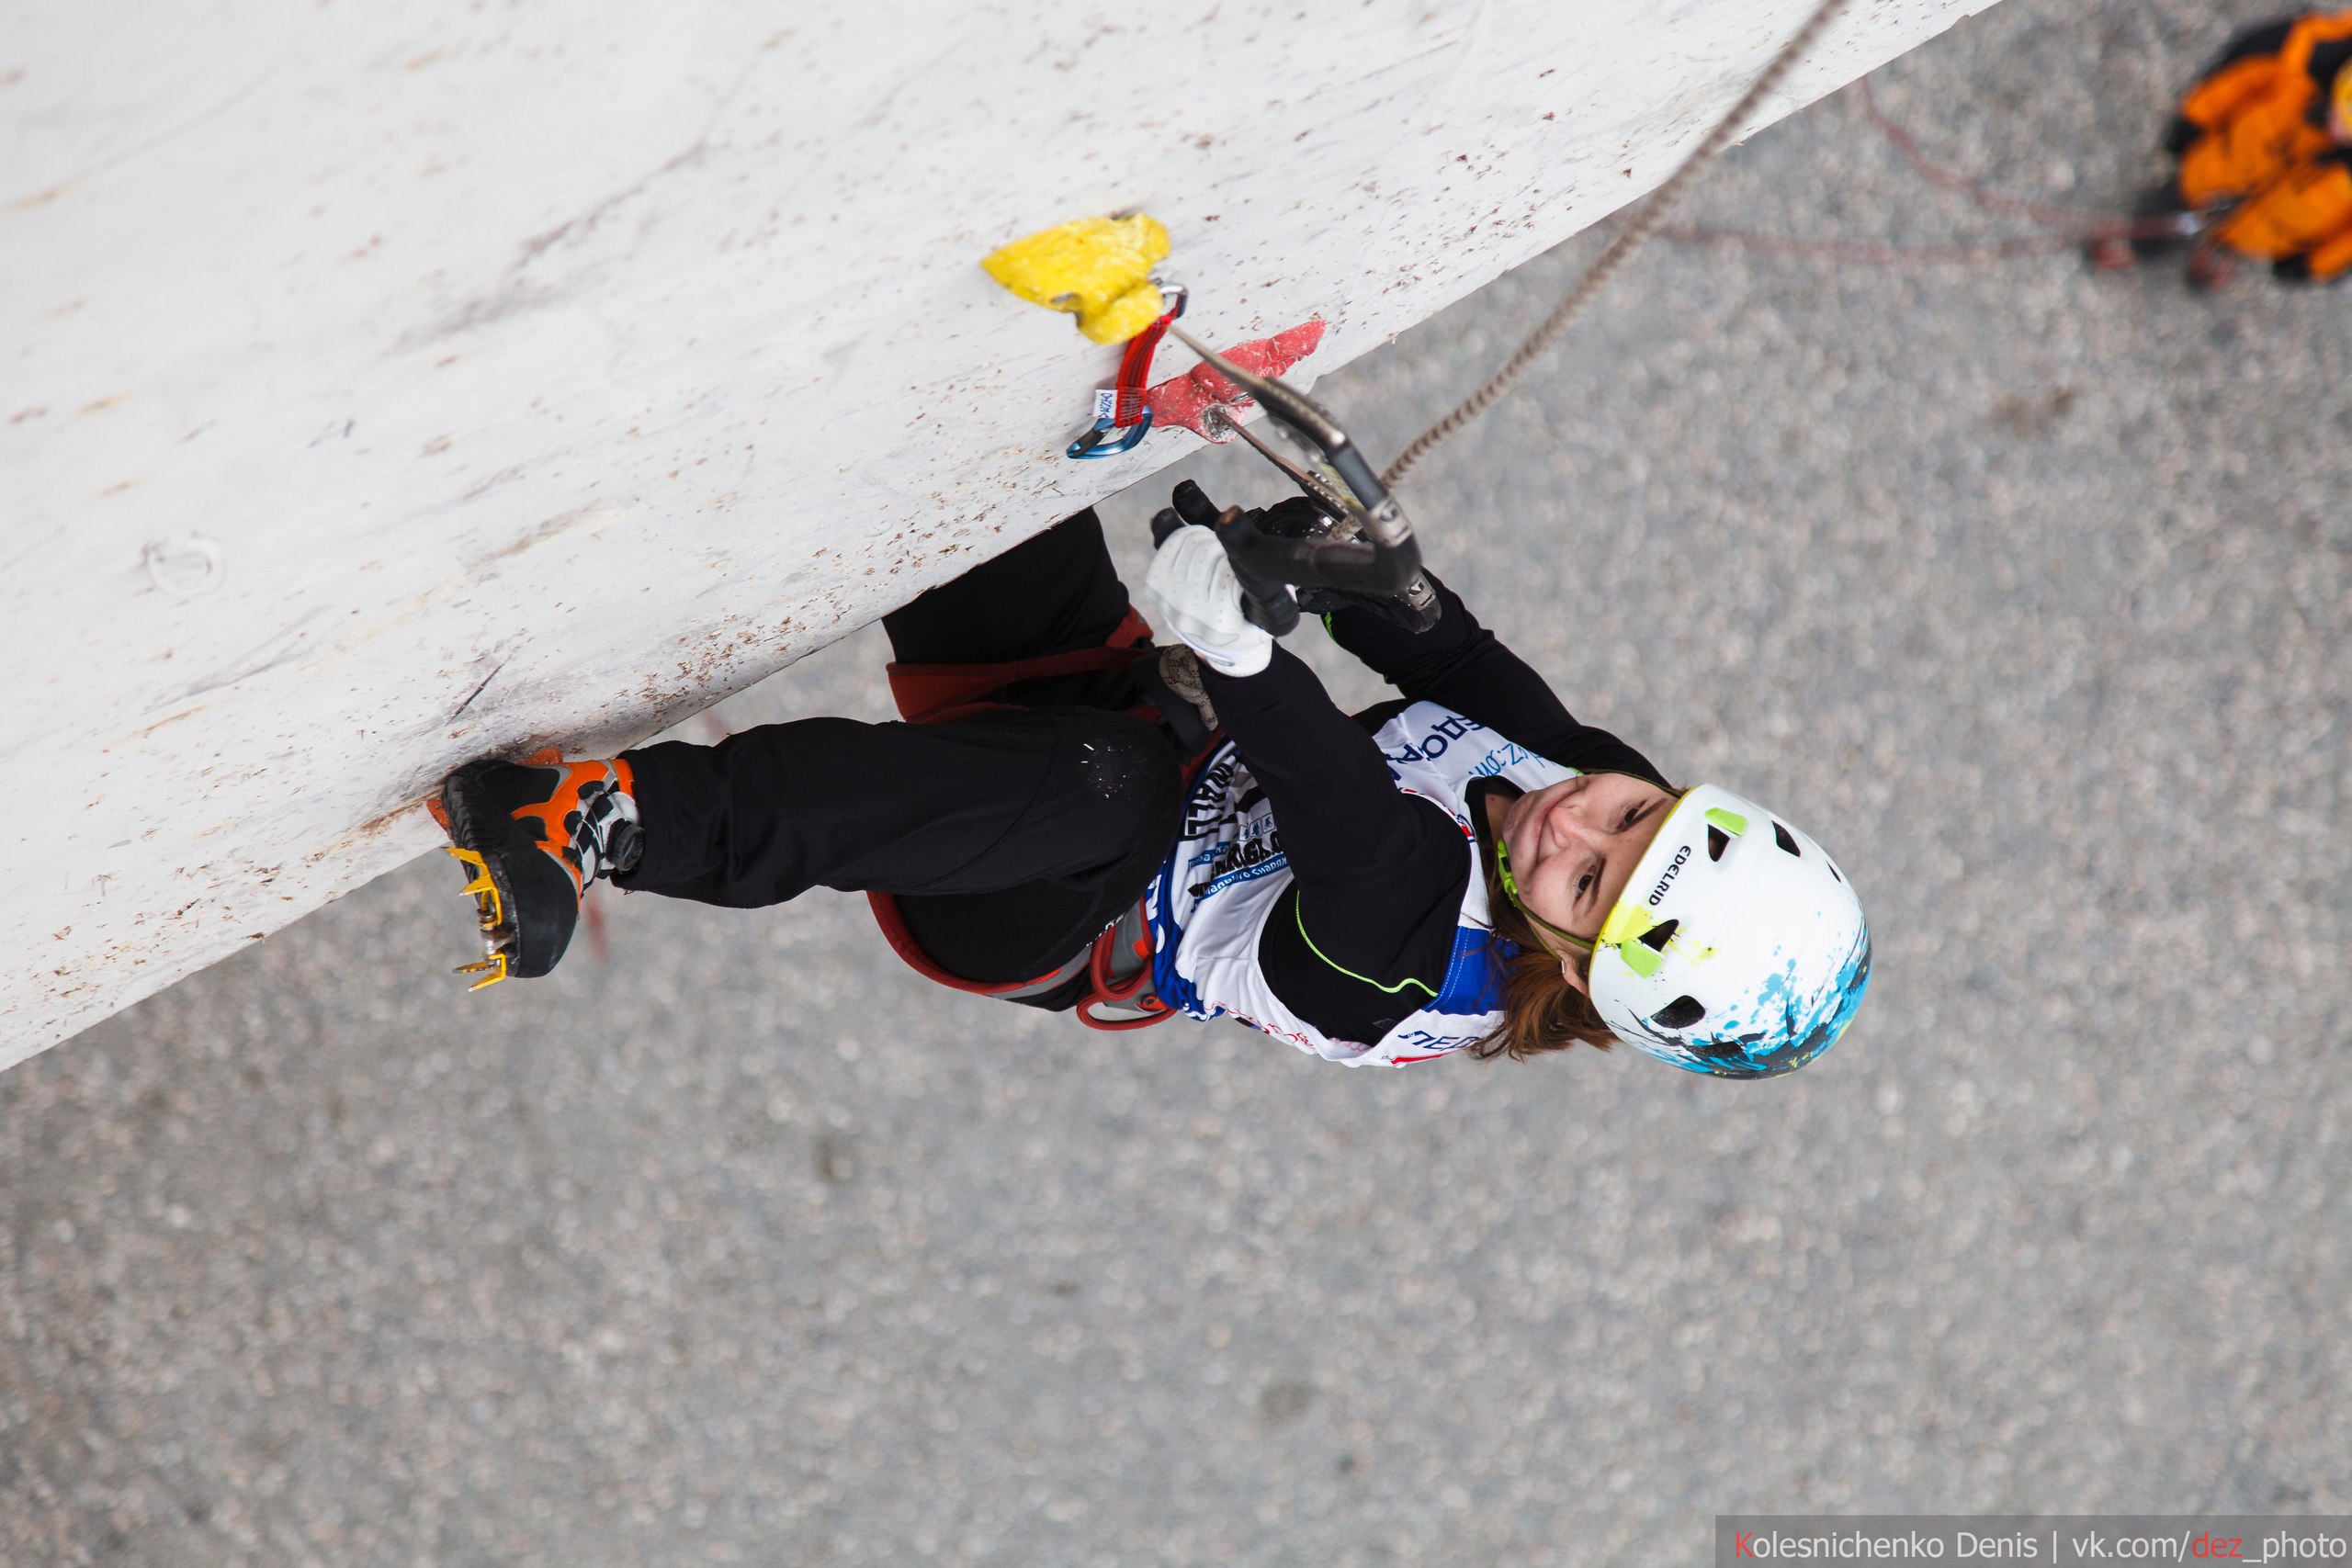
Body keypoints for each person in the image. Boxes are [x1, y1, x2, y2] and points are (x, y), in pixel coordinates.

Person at [435, 488, 1871, 1078]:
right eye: (1634, 814)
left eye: (1587, 878)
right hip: (1117, 710)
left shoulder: (1416, 960)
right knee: (972, 478)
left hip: (1042, 893)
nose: (1578, 819)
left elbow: (1343, 810)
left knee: (1113, 780)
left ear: (1567, 961)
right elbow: (1450, 650)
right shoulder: (1595, 789)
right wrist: (1332, 549)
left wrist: (1244, 642)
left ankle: (594, 821)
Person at [2099, 10, 2352, 287]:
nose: (2334, 128)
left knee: (2239, 240)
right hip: (2218, 169)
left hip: (2273, 227)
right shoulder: (2305, 54)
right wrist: (2190, 122)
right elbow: (2235, 79)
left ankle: (2217, 252)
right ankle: (2139, 244)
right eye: (2337, 112)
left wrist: (2312, 266)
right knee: (2171, 202)